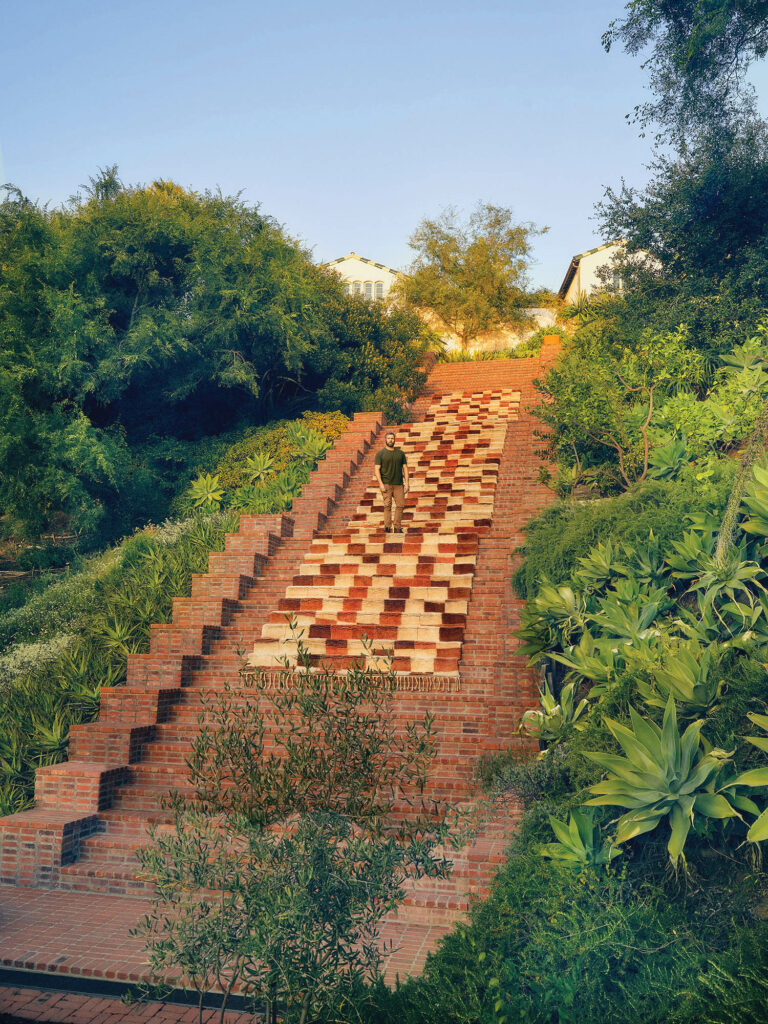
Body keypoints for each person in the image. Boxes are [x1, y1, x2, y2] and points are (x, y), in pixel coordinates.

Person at [374, 430, 409, 533]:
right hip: (386, 484)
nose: (390, 440)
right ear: (385, 440)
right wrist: (380, 484)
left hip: (399, 484)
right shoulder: (380, 454)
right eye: (389, 438)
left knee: (400, 505)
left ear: (395, 440)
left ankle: (397, 527)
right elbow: (377, 469)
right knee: (387, 505)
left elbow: (405, 468)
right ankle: (387, 527)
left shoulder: (400, 453)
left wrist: (407, 483)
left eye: (392, 438)